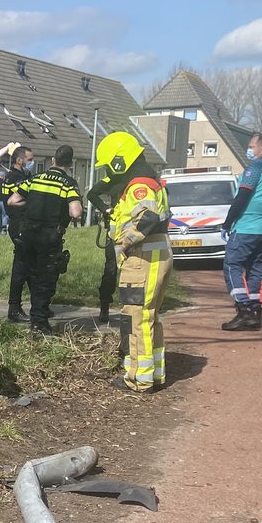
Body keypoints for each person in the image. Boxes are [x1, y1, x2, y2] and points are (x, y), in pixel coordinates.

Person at [88, 132, 171, 393]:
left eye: (109, 165)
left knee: (136, 319)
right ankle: (154, 374)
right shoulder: (148, 179)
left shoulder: (138, 185)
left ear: (119, 161)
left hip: (142, 258)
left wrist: (124, 243)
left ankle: (138, 379)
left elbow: (147, 218)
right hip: (156, 255)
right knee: (149, 318)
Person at [7, 145, 83, 335]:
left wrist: (32, 205)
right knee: (44, 279)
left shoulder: (35, 178)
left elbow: (12, 201)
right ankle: (39, 323)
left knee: (26, 272)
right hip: (48, 237)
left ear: (53, 160)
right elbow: (75, 212)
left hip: (27, 234)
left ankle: (21, 311)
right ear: (71, 163)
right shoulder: (68, 183)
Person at [220, 132, 262, 331]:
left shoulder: (257, 166)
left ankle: (244, 310)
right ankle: (255, 311)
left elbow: (243, 195)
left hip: (248, 224)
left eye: (252, 146)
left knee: (232, 265)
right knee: (256, 268)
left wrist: (227, 223)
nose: (250, 150)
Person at [3, 145, 34, 322]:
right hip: (18, 226)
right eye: (30, 160)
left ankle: (38, 304)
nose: (32, 163)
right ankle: (14, 308)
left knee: (31, 267)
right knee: (21, 268)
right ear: (20, 160)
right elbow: (11, 203)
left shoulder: (24, 176)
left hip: (26, 225)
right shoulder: (13, 178)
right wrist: (32, 205)